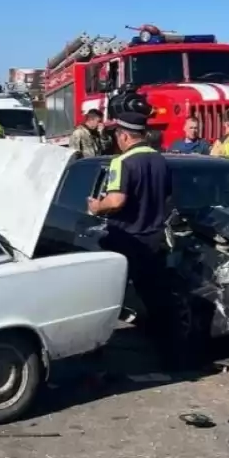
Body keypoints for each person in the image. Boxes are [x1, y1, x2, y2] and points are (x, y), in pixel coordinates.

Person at [86, 111, 187, 368]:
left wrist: (98, 207)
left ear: (124, 136)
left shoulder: (122, 162)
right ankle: (169, 354)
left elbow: (117, 200)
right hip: (156, 238)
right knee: (157, 299)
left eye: (117, 136)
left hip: (127, 239)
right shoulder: (160, 160)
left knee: (108, 295)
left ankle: (98, 352)